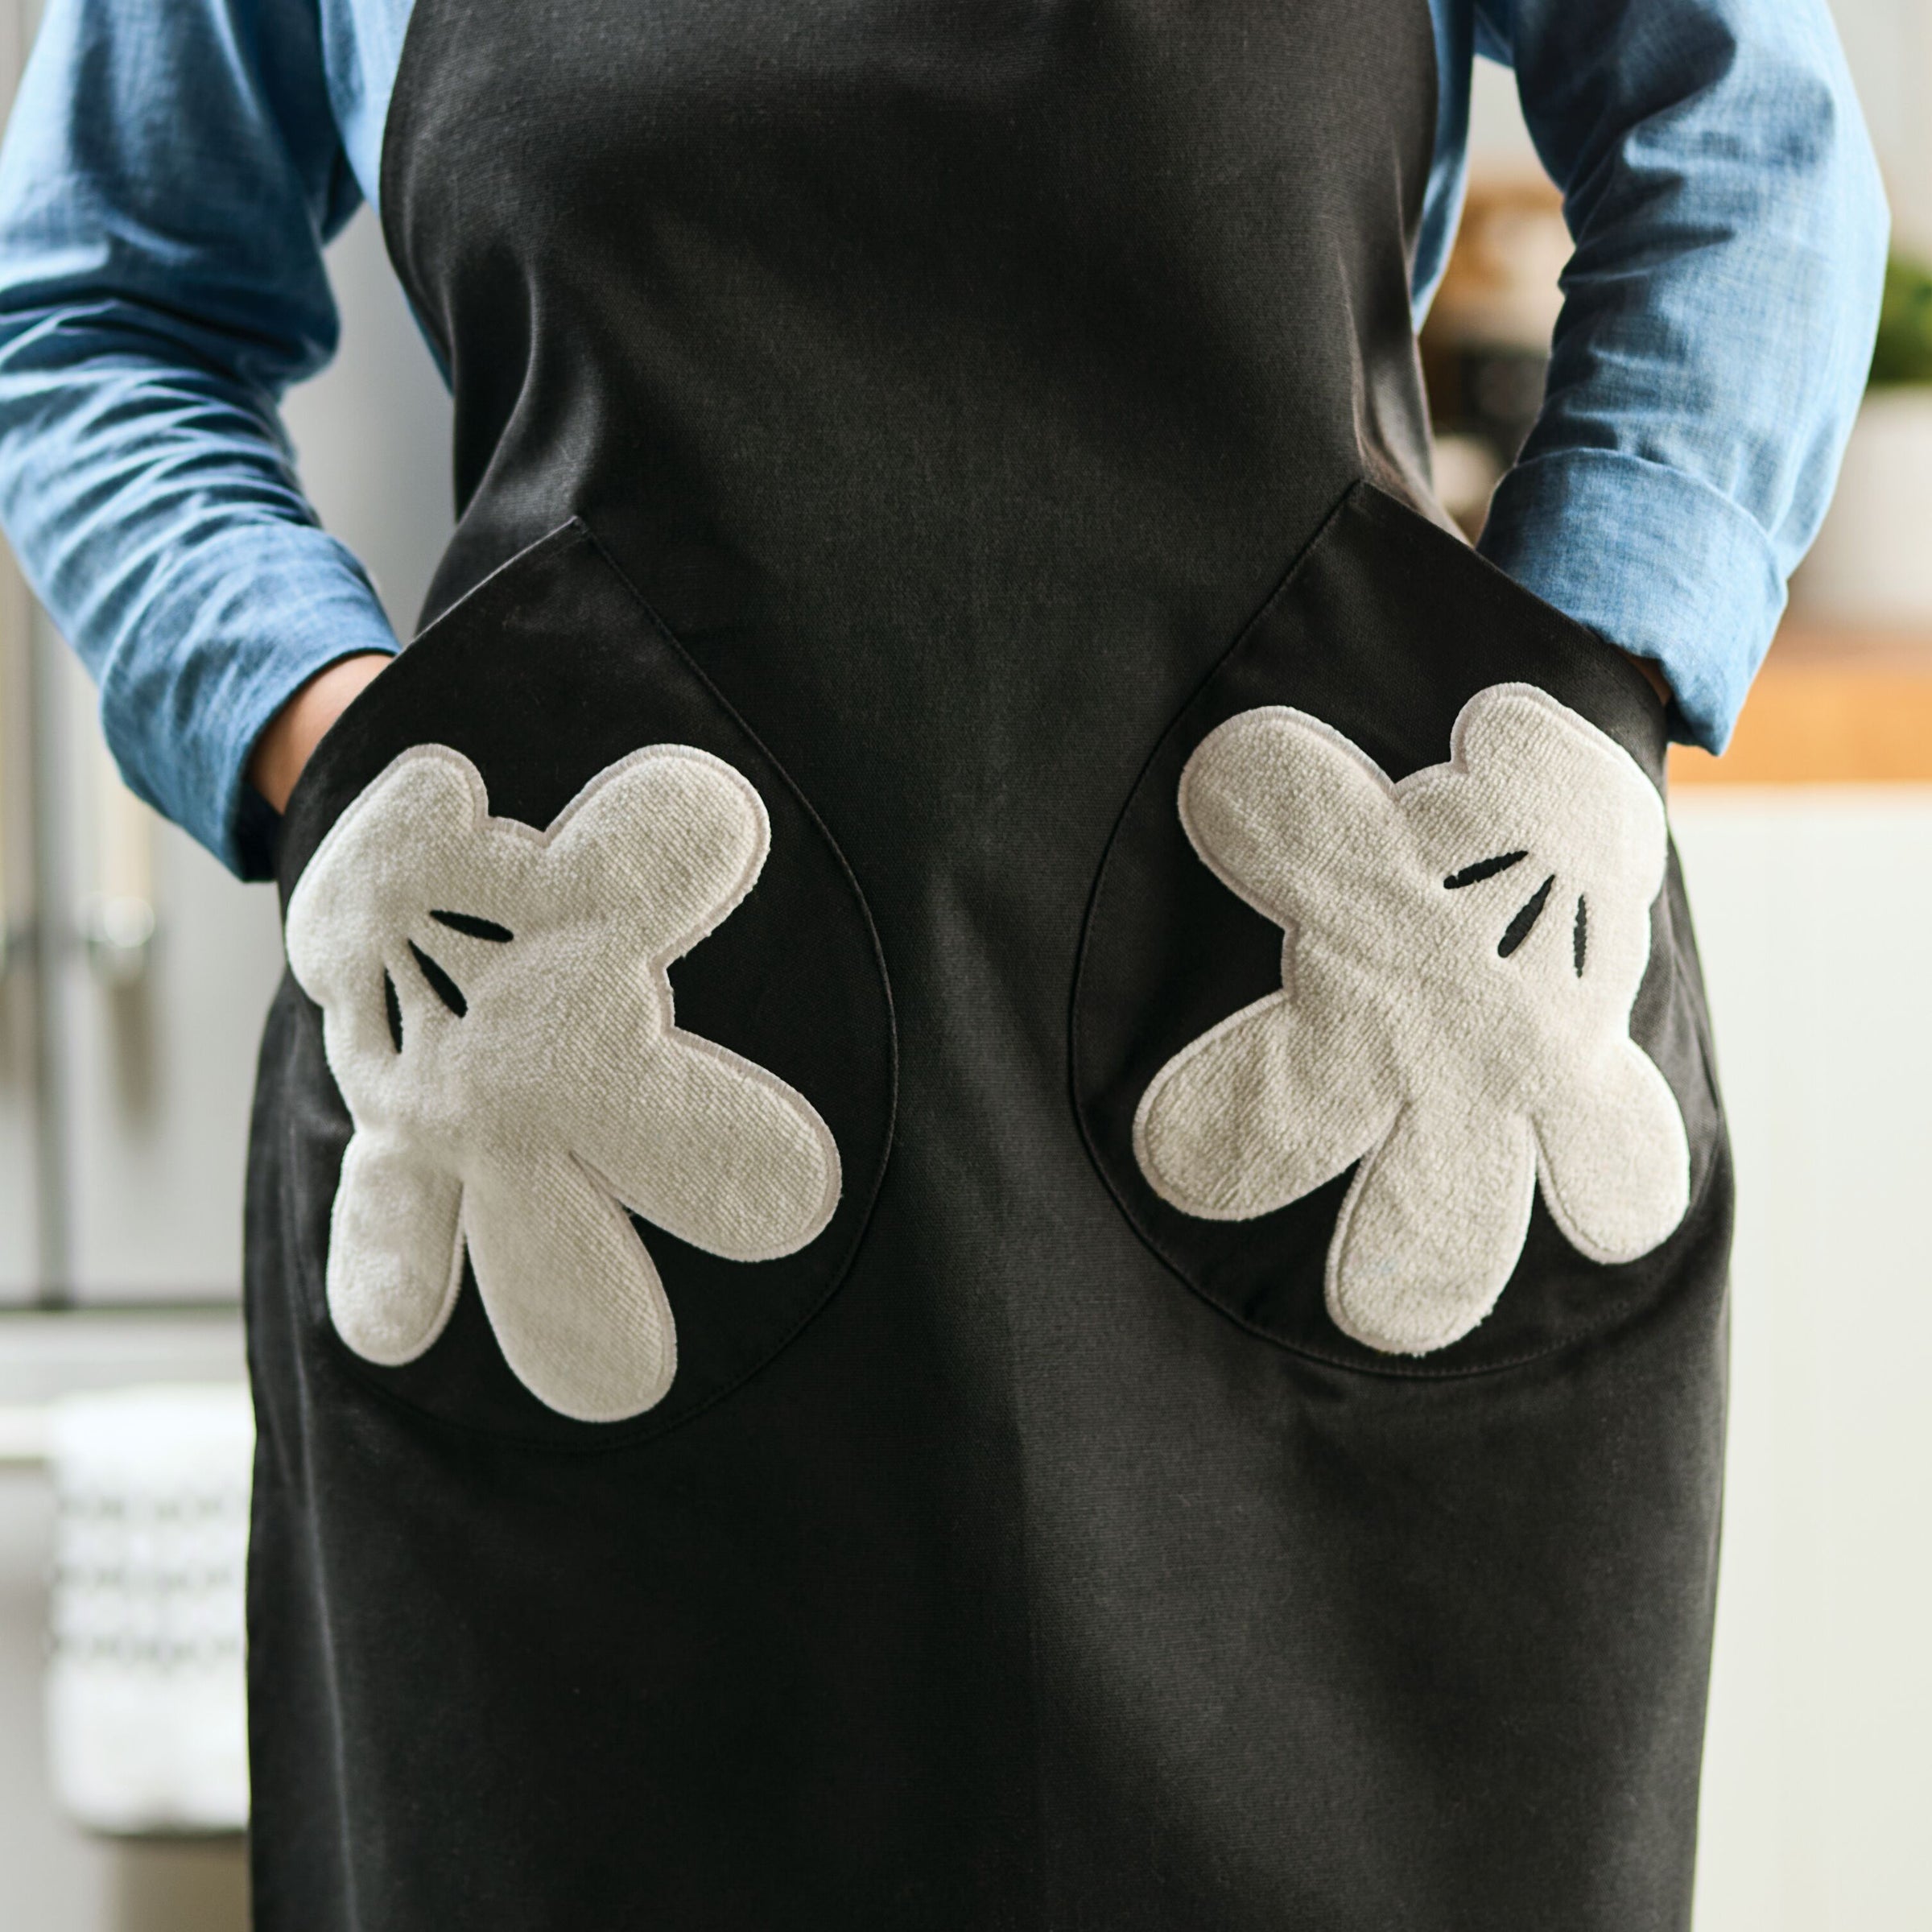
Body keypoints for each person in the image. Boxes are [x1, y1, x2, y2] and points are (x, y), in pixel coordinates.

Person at [0, 0, 1886, 1925]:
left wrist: (1574, 700)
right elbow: (89, 310)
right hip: (591, 1135)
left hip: (1339, 1075)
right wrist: (325, 738)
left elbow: (1745, 142)